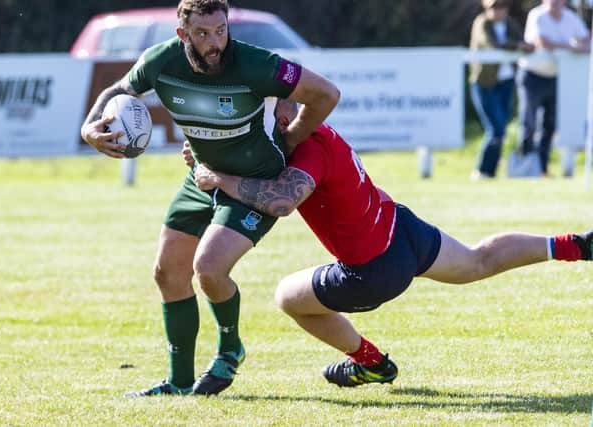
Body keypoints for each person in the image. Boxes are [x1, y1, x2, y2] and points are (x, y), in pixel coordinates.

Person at [191, 98, 593, 388]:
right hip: (402, 229)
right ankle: (574, 246)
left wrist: (218, 178)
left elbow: (280, 200)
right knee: (477, 261)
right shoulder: (315, 130)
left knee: (287, 298)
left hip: (374, 269)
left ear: (281, 119)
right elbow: (267, 170)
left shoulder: (307, 150)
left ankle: (372, 364)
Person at [80, 0, 340, 397]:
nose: (215, 42)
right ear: (182, 34)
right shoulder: (161, 60)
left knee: (210, 269)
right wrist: (89, 129)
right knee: (167, 273)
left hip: (253, 181)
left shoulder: (253, 64)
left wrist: (291, 138)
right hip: (202, 177)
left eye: (221, 30)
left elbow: (325, 93)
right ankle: (179, 382)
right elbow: (117, 90)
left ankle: (230, 347)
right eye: (202, 34)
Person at [516, 0, 590, 176]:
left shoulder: (570, 18)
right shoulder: (537, 15)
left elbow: (586, 40)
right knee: (529, 121)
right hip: (532, 74)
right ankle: (526, 167)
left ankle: (542, 168)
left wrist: (579, 46)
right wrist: (571, 47)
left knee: (549, 124)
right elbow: (542, 42)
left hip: (554, 76)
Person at [469, 0, 533, 179]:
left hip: (505, 82)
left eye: (502, 7)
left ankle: (490, 172)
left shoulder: (509, 24)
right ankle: (482, 170)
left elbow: (522, 40)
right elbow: (492, 44)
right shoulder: (481, 23)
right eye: (494, 7)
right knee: (495, 129)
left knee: (501, 130)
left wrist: (524, 45)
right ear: (487, 9)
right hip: (484, 83)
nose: (499, 11)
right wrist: (517, 46)